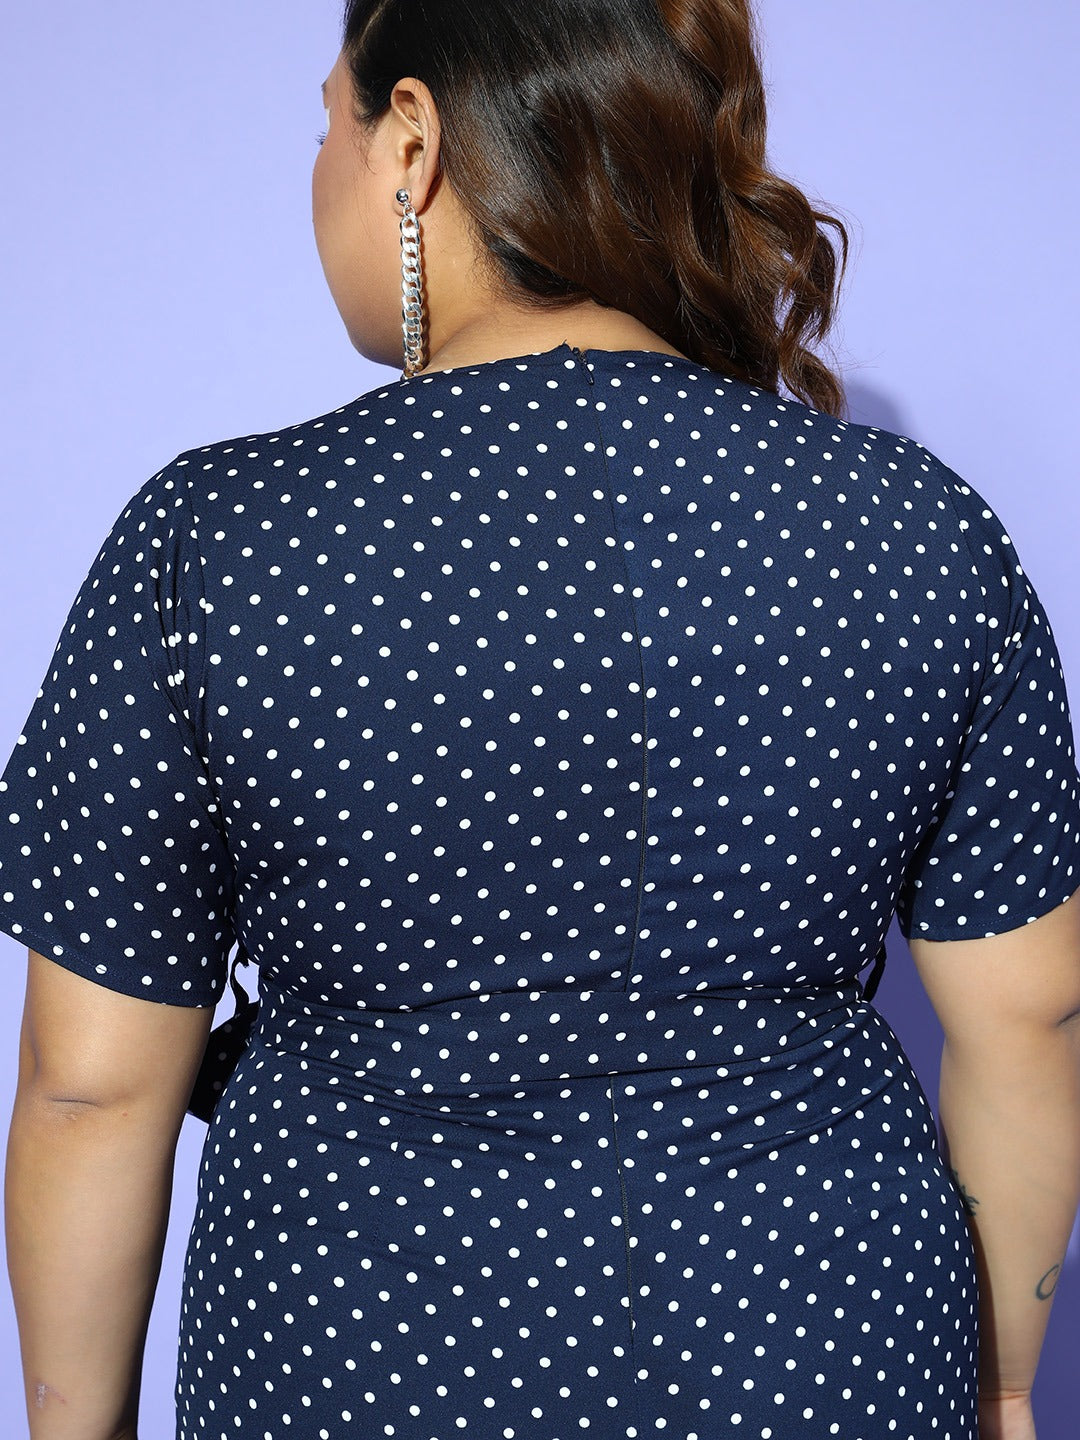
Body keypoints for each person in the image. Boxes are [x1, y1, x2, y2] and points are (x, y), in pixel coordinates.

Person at [2, 1, 1079, 1437]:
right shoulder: (913, 530)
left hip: (361, 1360)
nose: (316, 174)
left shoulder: (220, 543)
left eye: (325, 128)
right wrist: (1003, 1386)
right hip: (825, 1351)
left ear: (411, 142)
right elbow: (1033, 1013)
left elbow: (87, 1090)